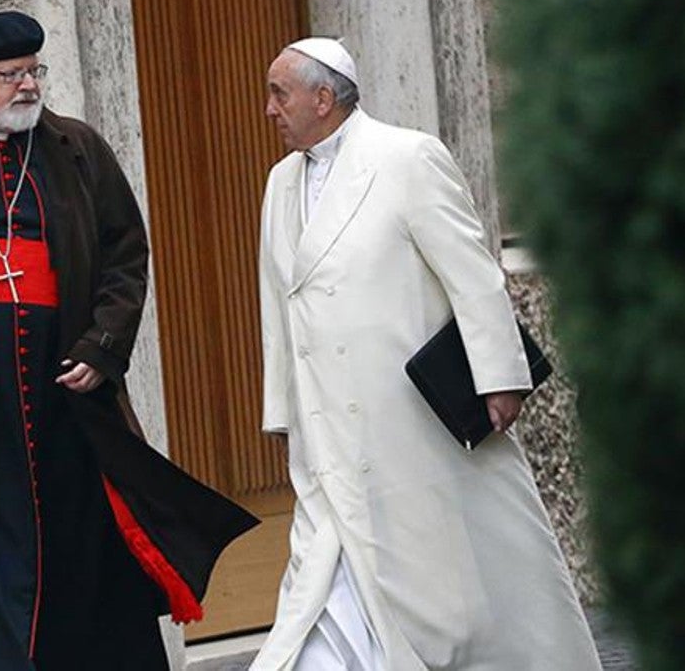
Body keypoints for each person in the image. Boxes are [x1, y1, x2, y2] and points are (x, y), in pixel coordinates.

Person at [0, 11, 255, 670]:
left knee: (78, 543)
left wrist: (102, 346)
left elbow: (127, 255)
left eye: (34, 71)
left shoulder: (77, 149)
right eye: (10, 77)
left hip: (64, 395)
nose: (28, 86)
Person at [252, 38, 602, 670]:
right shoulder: (280, 183)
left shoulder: (407, 158)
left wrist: (500, 379)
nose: (268, 109)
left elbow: (473, 275)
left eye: (279, 93)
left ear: (323, 98)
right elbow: (279, 304)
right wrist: (284, 410)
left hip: (406, 422)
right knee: (322, 587)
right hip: (326, 431)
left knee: (434, 589)